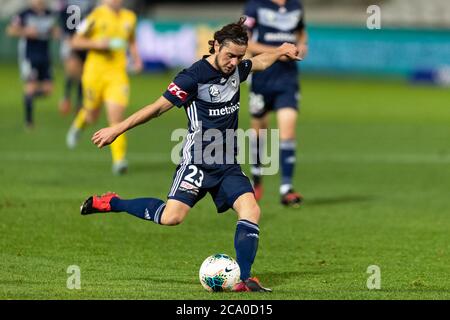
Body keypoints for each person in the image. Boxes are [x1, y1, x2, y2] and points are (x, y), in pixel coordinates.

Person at [80, 18, 300, 292]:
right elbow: (156, 108)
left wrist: (280, 51)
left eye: (239, 57)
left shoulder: (236, 68)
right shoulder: (192, 77)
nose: (234, 62)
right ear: (216, 46)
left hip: (228, 163)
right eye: (230, 55)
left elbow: (259, 62)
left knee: (251, 209)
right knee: (171, 217)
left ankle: (245, 278)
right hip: (197, 161)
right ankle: (114, 202)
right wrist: (118, 128)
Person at [66, 0, 143, 175]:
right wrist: (97, 44)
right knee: (91, 114)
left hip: (117, 75)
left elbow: (131, 40)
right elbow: (75, 41)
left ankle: (119, 160)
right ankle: (79, 124)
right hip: (94, 74)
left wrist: (137, 59)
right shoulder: (95, 15)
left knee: (116, 118)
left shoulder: (129, 17)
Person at [243, 0, 308, 206]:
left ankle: (286, 188)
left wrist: (302, 45)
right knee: (259, 131)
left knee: (287, 131)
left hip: (287, 79)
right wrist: (279, 51)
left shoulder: (296, 6)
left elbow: (301, 32)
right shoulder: (255, 6)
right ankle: (256, 177)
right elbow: (246, 41)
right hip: (262, 76)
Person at [6, 0, 60, 130]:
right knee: (31, 86)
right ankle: (29, 122)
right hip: (30, 56)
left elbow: (55, 31)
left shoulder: (49, 14)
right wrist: (25, 31)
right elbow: (10, 30)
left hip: (45, 56)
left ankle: (28, 97)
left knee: (48, 90)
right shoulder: (24, 14)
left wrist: (55, 32)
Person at [58, 0, 94, 115]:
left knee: (82, 74)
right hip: (70, 40)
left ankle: (79, 103)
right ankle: (66, 97)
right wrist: (68, 38)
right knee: (72, 70)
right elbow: (63, 17)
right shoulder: (69, 5)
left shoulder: (89, 4)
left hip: (84, 41)